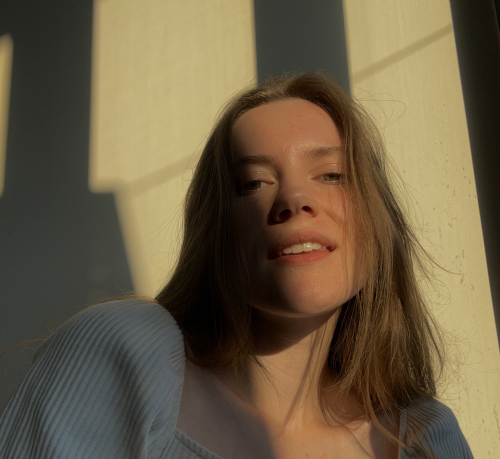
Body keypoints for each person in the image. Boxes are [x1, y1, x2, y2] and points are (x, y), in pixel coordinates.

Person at [0, 73, 473, 458]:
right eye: (253, 183)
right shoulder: (123, 351)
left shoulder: (427, 437)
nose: (294, 199)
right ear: (216, 234)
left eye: (331, 175)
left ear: (378, 220)